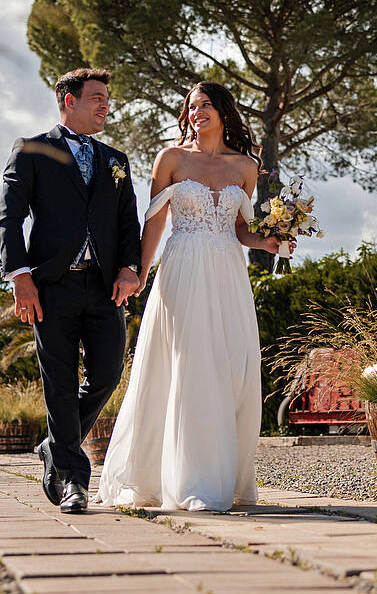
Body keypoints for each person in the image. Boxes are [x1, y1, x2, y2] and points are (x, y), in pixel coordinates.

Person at [96, 81, 281, 511]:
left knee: (231, 366)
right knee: (187, 365)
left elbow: (239, 229)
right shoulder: (171, 159)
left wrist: (269, 242)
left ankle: (221, 473)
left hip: (229, 276)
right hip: (182, 268)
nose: (196, 112)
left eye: (205, 105)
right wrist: (138, 272)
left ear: (223, 111)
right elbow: (156, 222)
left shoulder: (246, 167)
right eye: (191, 106)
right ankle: (189, 482)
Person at [0, 68, 144, 514]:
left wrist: (130, 268)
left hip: (104, 288)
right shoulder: (32, 150)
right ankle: (72, 481)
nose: (105, 105)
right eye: (96, 97)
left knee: (107, 375)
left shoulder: (116, 159)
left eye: (107, 98)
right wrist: (21, 279)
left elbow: (126, 222)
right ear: (68, 100)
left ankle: (55, 447)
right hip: (50, 286)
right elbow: (9, 218)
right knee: (59, 384)